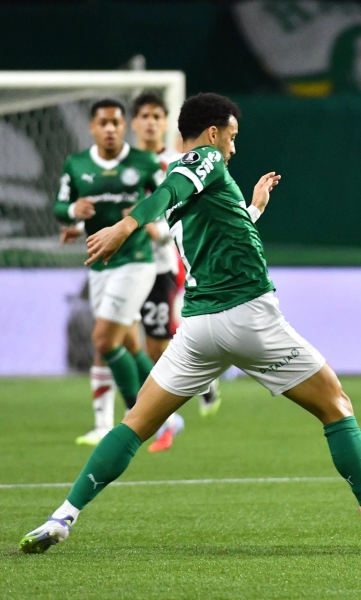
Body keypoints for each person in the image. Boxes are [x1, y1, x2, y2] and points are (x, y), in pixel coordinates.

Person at [19, 92, 361, 553]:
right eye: (232, 137)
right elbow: (171, 188)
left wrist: (253, 207)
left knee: (135, 423)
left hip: (199, 328)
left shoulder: (200, 192)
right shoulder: (201, 160)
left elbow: (220, 232)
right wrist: (125, 226)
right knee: (336, 405)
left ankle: (62, 517)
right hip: (249, 317)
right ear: (214, 133)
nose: (234, 149)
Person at [54, 99, 164, 446]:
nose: (111, 129)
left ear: (124, 125)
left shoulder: (145, 163)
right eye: (104, 123)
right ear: (93, 127)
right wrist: (72, 212)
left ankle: (138, 416)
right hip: (100, 265)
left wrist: (151, 225)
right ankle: (168, 414)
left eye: (117, 122)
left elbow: (172, 201)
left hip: (135, 262)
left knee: (103, 339)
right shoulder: (77, 164)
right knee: (130, 343)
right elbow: (60, 206)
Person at [129, 92, 222, 453]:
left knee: (154, 345)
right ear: (134, 123)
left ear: (166, 122)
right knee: (115, 338)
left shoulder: (179, 162)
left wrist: (158, 230)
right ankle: (115, 419)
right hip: (124, 264)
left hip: (161, 265)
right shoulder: (125, 164)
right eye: (144, 116)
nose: (150, 122)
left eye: (157, 115)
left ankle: (189, 390)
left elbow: (186, 211)